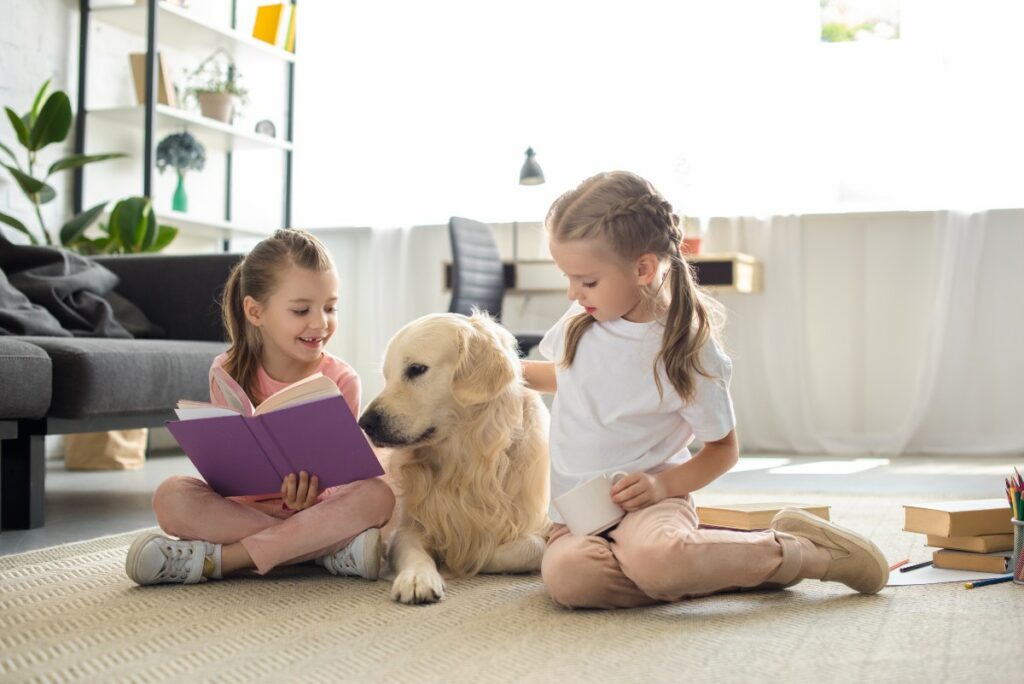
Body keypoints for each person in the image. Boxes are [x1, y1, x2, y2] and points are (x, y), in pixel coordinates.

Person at [522, 171, 889, 609]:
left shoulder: (687, 350)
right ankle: (712, 569)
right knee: (571, 580)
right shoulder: (583, 320)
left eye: (586, 280)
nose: (573, 292)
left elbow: (723, 450)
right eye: (569, 277)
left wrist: (661, 487)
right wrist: (501, 371)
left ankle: (804, 553)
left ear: (642, 268)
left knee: (659, 561)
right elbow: (568, 378)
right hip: (578, 518)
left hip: (649, 508)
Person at [125, 229, 394, 586]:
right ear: (255, 311)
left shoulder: (342, 379)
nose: (320, 322)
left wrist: (313, 496)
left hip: (315, 509)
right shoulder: (225, 370)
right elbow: (226, 470)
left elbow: (343, 478)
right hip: (245, 510)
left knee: (377, 496)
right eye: (301, 310)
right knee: (170, 495)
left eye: (330, 308)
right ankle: (326, 552)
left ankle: (220, 561)